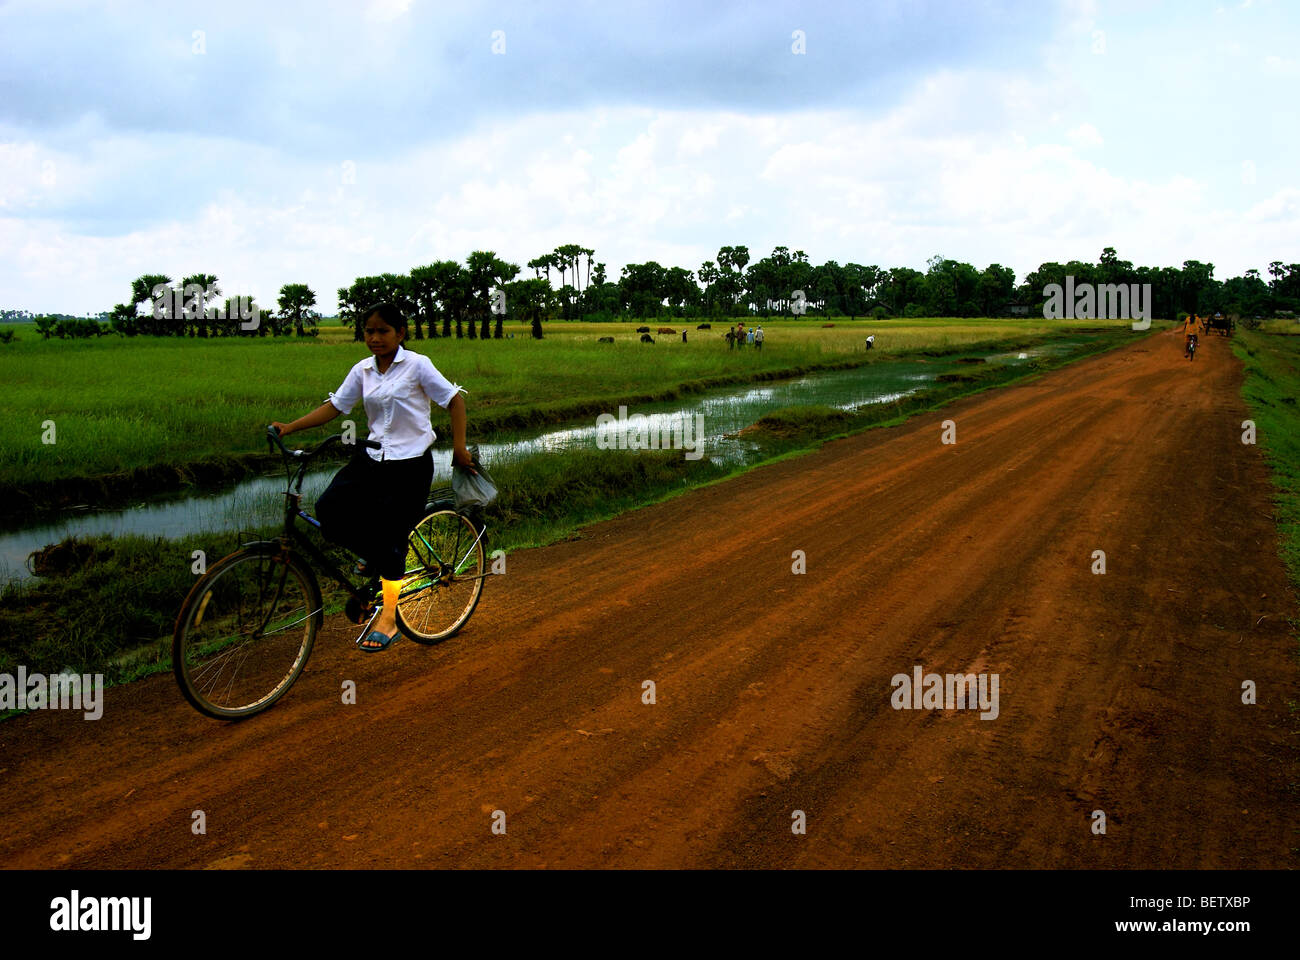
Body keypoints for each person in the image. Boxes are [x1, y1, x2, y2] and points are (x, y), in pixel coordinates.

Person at [271, 302, 474, 652]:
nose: (375, 338)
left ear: (401, 334)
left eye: (383, 331)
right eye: (369, 331)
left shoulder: (417, 365)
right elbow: (335, 407)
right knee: (329, 509)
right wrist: (289, 427)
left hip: (409, 465)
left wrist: (459, 448)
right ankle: (373, 555)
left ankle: (390, 619)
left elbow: (454, 401)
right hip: (371, 458)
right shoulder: (363, 370)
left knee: (390, 540)